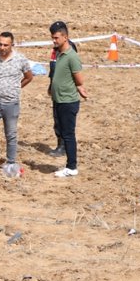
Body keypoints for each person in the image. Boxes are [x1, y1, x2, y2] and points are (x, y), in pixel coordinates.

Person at [0, 32, 34, 171]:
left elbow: (28, 76)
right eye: (0, 44)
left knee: (11, 133)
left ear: (12, 45)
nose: (2, 47)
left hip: (11, 102)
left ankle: (10, 162)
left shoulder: (20, 59)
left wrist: (16, 87)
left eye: (5, 45)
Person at [48, 21, 87, 177]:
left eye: (56, 37)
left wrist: (79, 88)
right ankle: (70, 165)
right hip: (59, 99)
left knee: (69, 134)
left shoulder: (72, 56)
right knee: (64, 132)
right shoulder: (58, 54)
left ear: (65, 37)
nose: (54, 40)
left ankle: (71, 166)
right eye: (52, 38)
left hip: (68, 101)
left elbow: (79, 80)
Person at [48, 25, 79, 157]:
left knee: (65, 123)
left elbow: (74, 72)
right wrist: (51, 85)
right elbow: (53, 68)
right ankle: (60, 144)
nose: (54, 40)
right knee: (57, 118)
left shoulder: (68, 50)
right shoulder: (56, 50)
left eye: (55, 37)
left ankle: (64, 147)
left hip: (66, 94)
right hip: (56, 90)